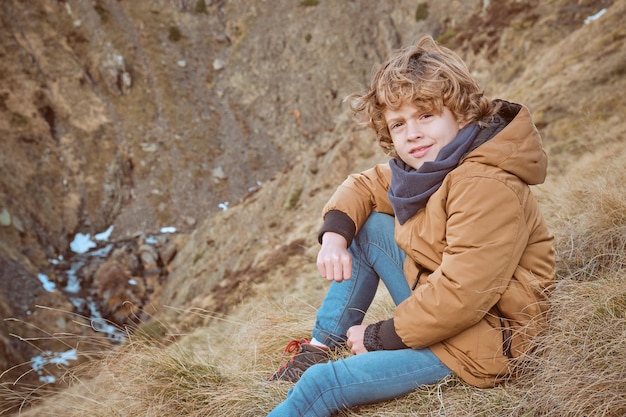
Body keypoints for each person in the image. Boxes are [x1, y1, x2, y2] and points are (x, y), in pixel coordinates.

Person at [267, 36, 556, 417]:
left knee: (323, 385)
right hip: (447, 310)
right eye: (398, 123)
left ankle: (318, 370)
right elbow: (366, 185)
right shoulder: (431, 169)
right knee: (366, 225)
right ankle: (320, 347)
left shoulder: (486, 183)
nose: (412, 133)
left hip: (486, 338)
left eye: (425, 116)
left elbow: (464, 295)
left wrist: (379, 336)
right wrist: (334, 237)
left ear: (462, 113)